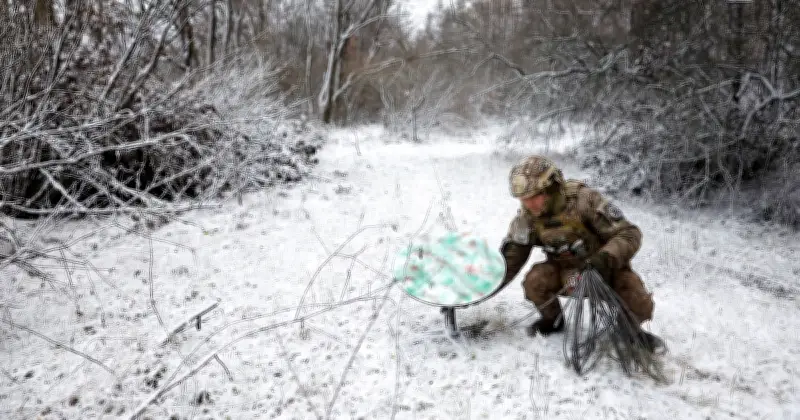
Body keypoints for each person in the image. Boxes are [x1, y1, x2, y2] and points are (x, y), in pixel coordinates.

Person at [499, 155, 663, 352]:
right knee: (535, 281)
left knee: (637, 298)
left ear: (551, 188)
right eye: (524, 200)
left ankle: (630, 330)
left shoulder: (585, 201)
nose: (528, 205)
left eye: (534, 197)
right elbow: (511, 259)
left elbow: (629, 233)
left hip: (604, 270)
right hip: (565, 275)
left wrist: (604, 258)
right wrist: (482, 288)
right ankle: (553, 320)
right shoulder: (526, 218)